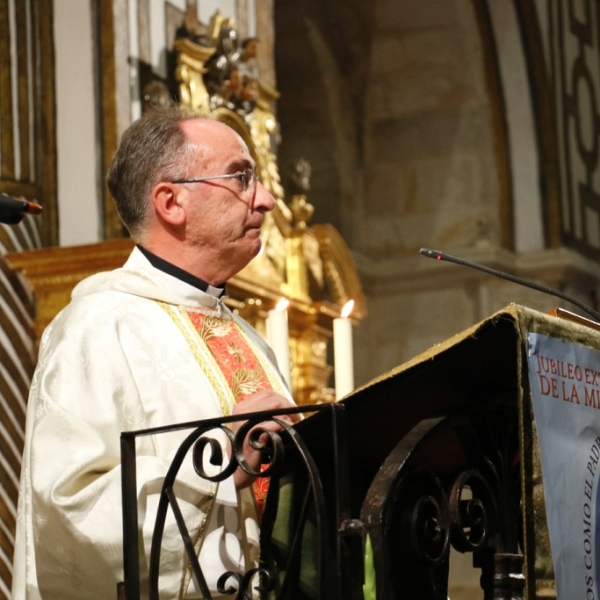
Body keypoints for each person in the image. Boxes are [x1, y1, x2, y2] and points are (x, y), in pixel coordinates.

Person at [12, 106, 298, 599]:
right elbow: (69, 508)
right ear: (170, 202)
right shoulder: (98, 327)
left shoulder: (251, 340)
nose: (267, 200)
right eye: (242, 177)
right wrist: (224, 453)